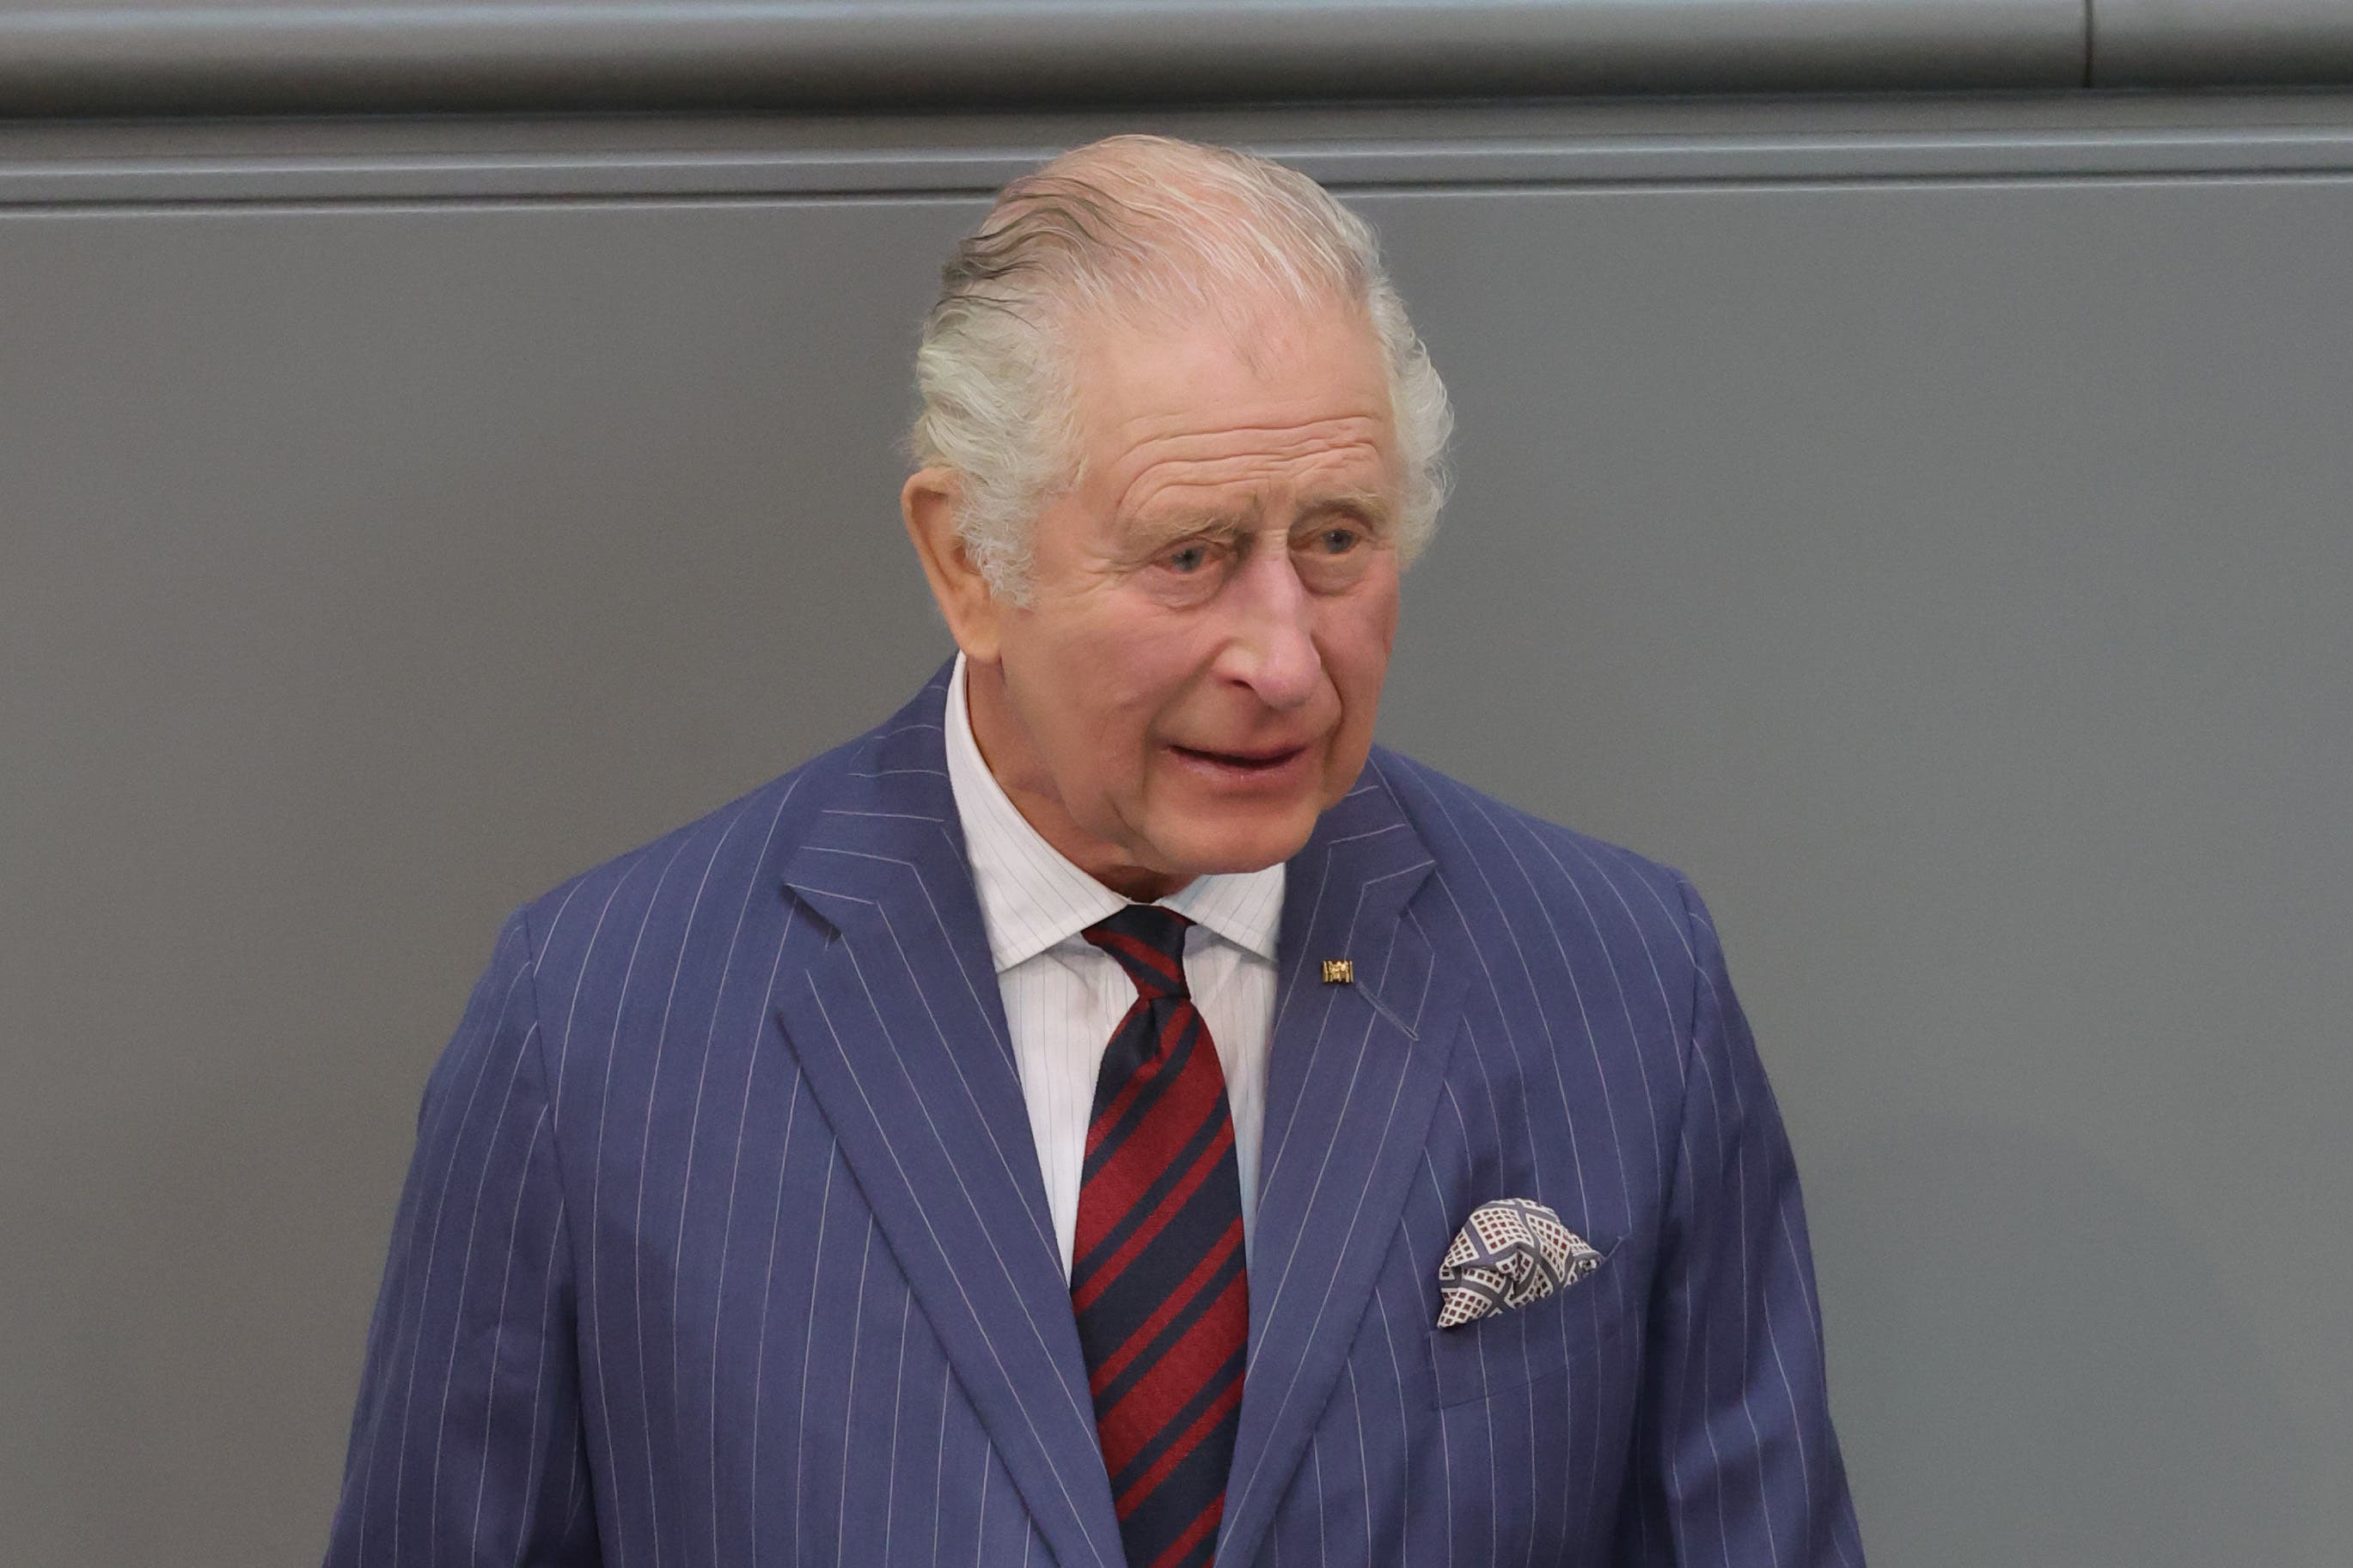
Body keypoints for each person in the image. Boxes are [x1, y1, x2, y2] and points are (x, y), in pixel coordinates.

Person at [323, 134, 1864, 1568]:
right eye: (1190, 553)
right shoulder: (600, 1028)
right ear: (966, 561)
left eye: (1335, 538)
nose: (1283, 655)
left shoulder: (1615, 987)